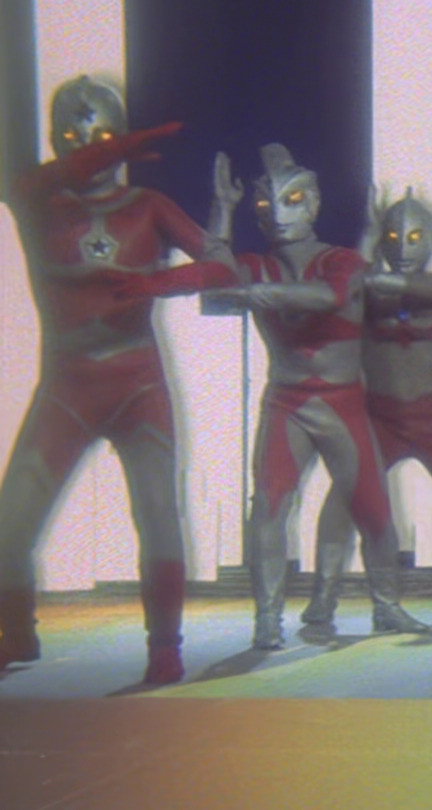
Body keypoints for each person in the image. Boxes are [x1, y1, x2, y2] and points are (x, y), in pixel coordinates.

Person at [128, 144, 429, 649]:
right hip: (288, 402)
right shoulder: (257, 265)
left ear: (313, 204)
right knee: (268, 507)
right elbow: (216, 279)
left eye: (291, 201)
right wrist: (223, 209)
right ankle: (267, 616)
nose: (278, 215)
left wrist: (255, 295)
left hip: (341, 401)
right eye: (266, 204)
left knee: (373, 508)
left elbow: (328, 297)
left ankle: (387, 605)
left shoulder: (342, 261)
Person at [0, 76, 233, 684]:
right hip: (68, 387)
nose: (87, 149)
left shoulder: (147, 206)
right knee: (9, 527)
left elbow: (223, 266)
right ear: (55, 140)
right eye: (73, 138)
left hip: (136, 385)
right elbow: (27, 181)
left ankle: (165, 647)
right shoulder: (37, 201)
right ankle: (15, 634)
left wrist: (162, 283)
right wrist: (115, 148)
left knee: (157, 513)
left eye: (102, 137)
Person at [304, 190, 432, 622]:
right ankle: (323, 596)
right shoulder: (366, 291)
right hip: (380, 419)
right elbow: (352, 291)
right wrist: (367, 248)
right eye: (393, 237)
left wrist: (367, 270)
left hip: (431, 420)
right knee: (343, 502)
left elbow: (423, 289)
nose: (403, 248)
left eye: (414, 238)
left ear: (430, 240)